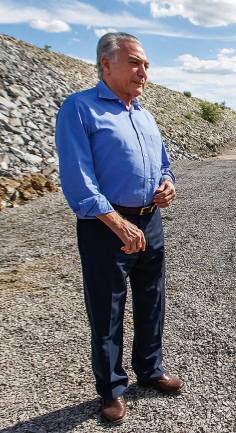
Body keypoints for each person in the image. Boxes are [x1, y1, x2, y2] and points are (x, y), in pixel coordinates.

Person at [55, 32, 184, 426]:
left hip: (150, 218)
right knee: (107, 308)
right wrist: (116, 222)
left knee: (152, 298)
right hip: (105, 225)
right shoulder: (79, 108)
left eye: (145, 64)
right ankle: (112, 389)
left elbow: (163, 164)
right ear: (106, 64)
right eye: (134, 62)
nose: (143, 71)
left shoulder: (143, 113)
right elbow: (78, 178)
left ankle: (150, 369)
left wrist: (167, 185)